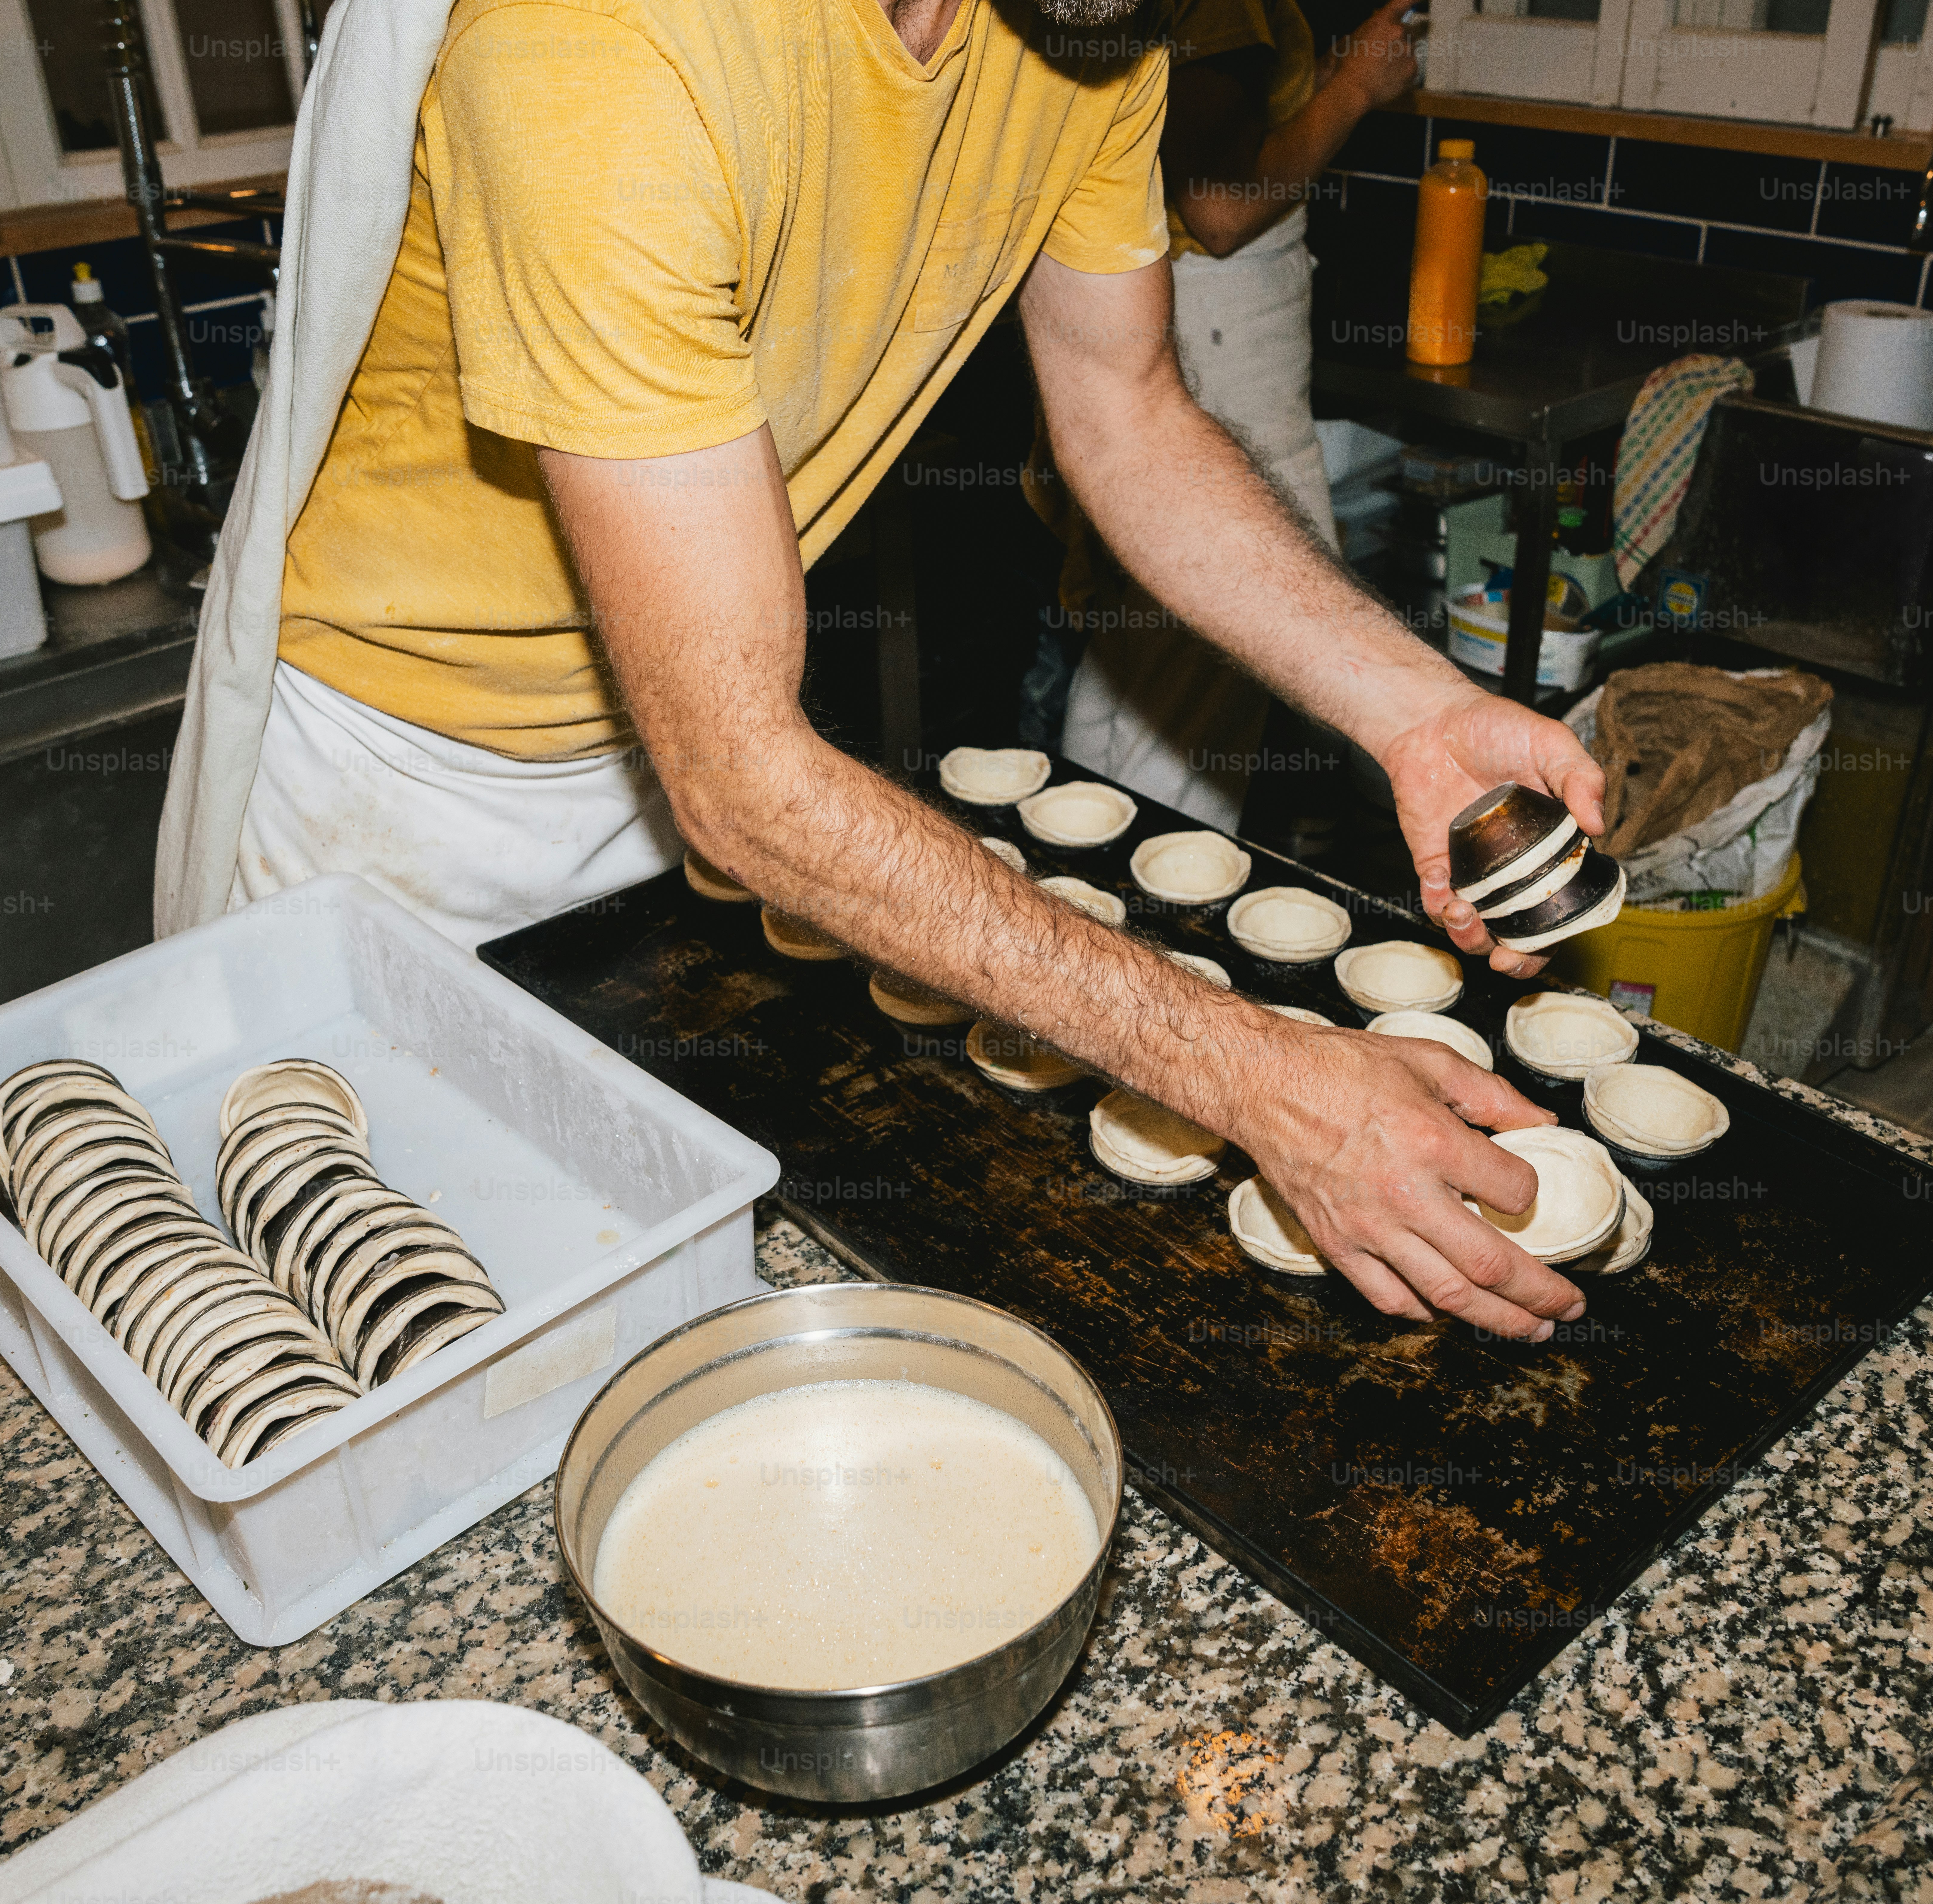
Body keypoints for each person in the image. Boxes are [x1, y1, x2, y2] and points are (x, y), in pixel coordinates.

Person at [156, 0, 1607, 1341]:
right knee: (416, 1327)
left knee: (671, 1306)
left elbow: (1128, 413)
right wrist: (1256, 1078)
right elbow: (743, 780)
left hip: (678, 786)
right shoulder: (609, 47)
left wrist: (1415, 710)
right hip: (411, 788)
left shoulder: (1091, 24)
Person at [1053, 0, 1422, 830]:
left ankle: (1081, 874)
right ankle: (1165, 912)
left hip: (1180, 302)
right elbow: (1221, 206)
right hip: (1220, 314)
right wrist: (1356, 90)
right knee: (1231, 632)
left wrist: (1317, 83)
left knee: (1150, 643)